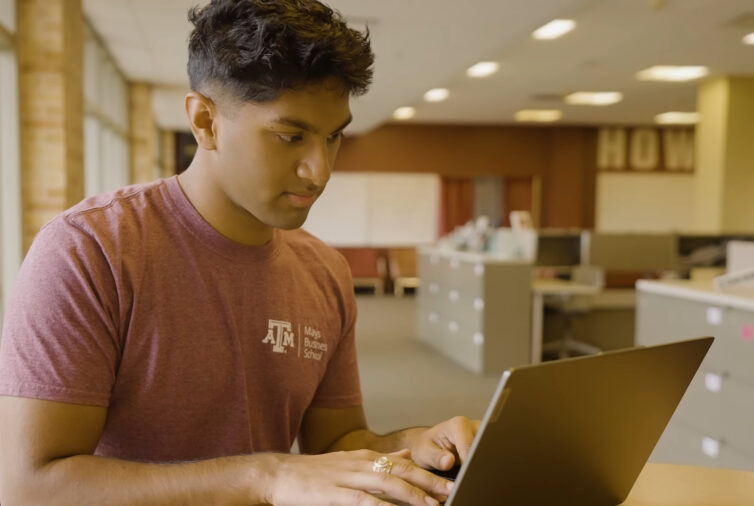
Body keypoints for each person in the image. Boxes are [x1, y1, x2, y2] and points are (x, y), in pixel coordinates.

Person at [0, 1, 478, 504]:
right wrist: (264, 476)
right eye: (290, 137)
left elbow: (337, 445)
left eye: (333, 137)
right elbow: (29, 487)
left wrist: (413, 449)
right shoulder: (90, 251)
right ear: (204, 122)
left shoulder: (323, 271)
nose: (319, 170)